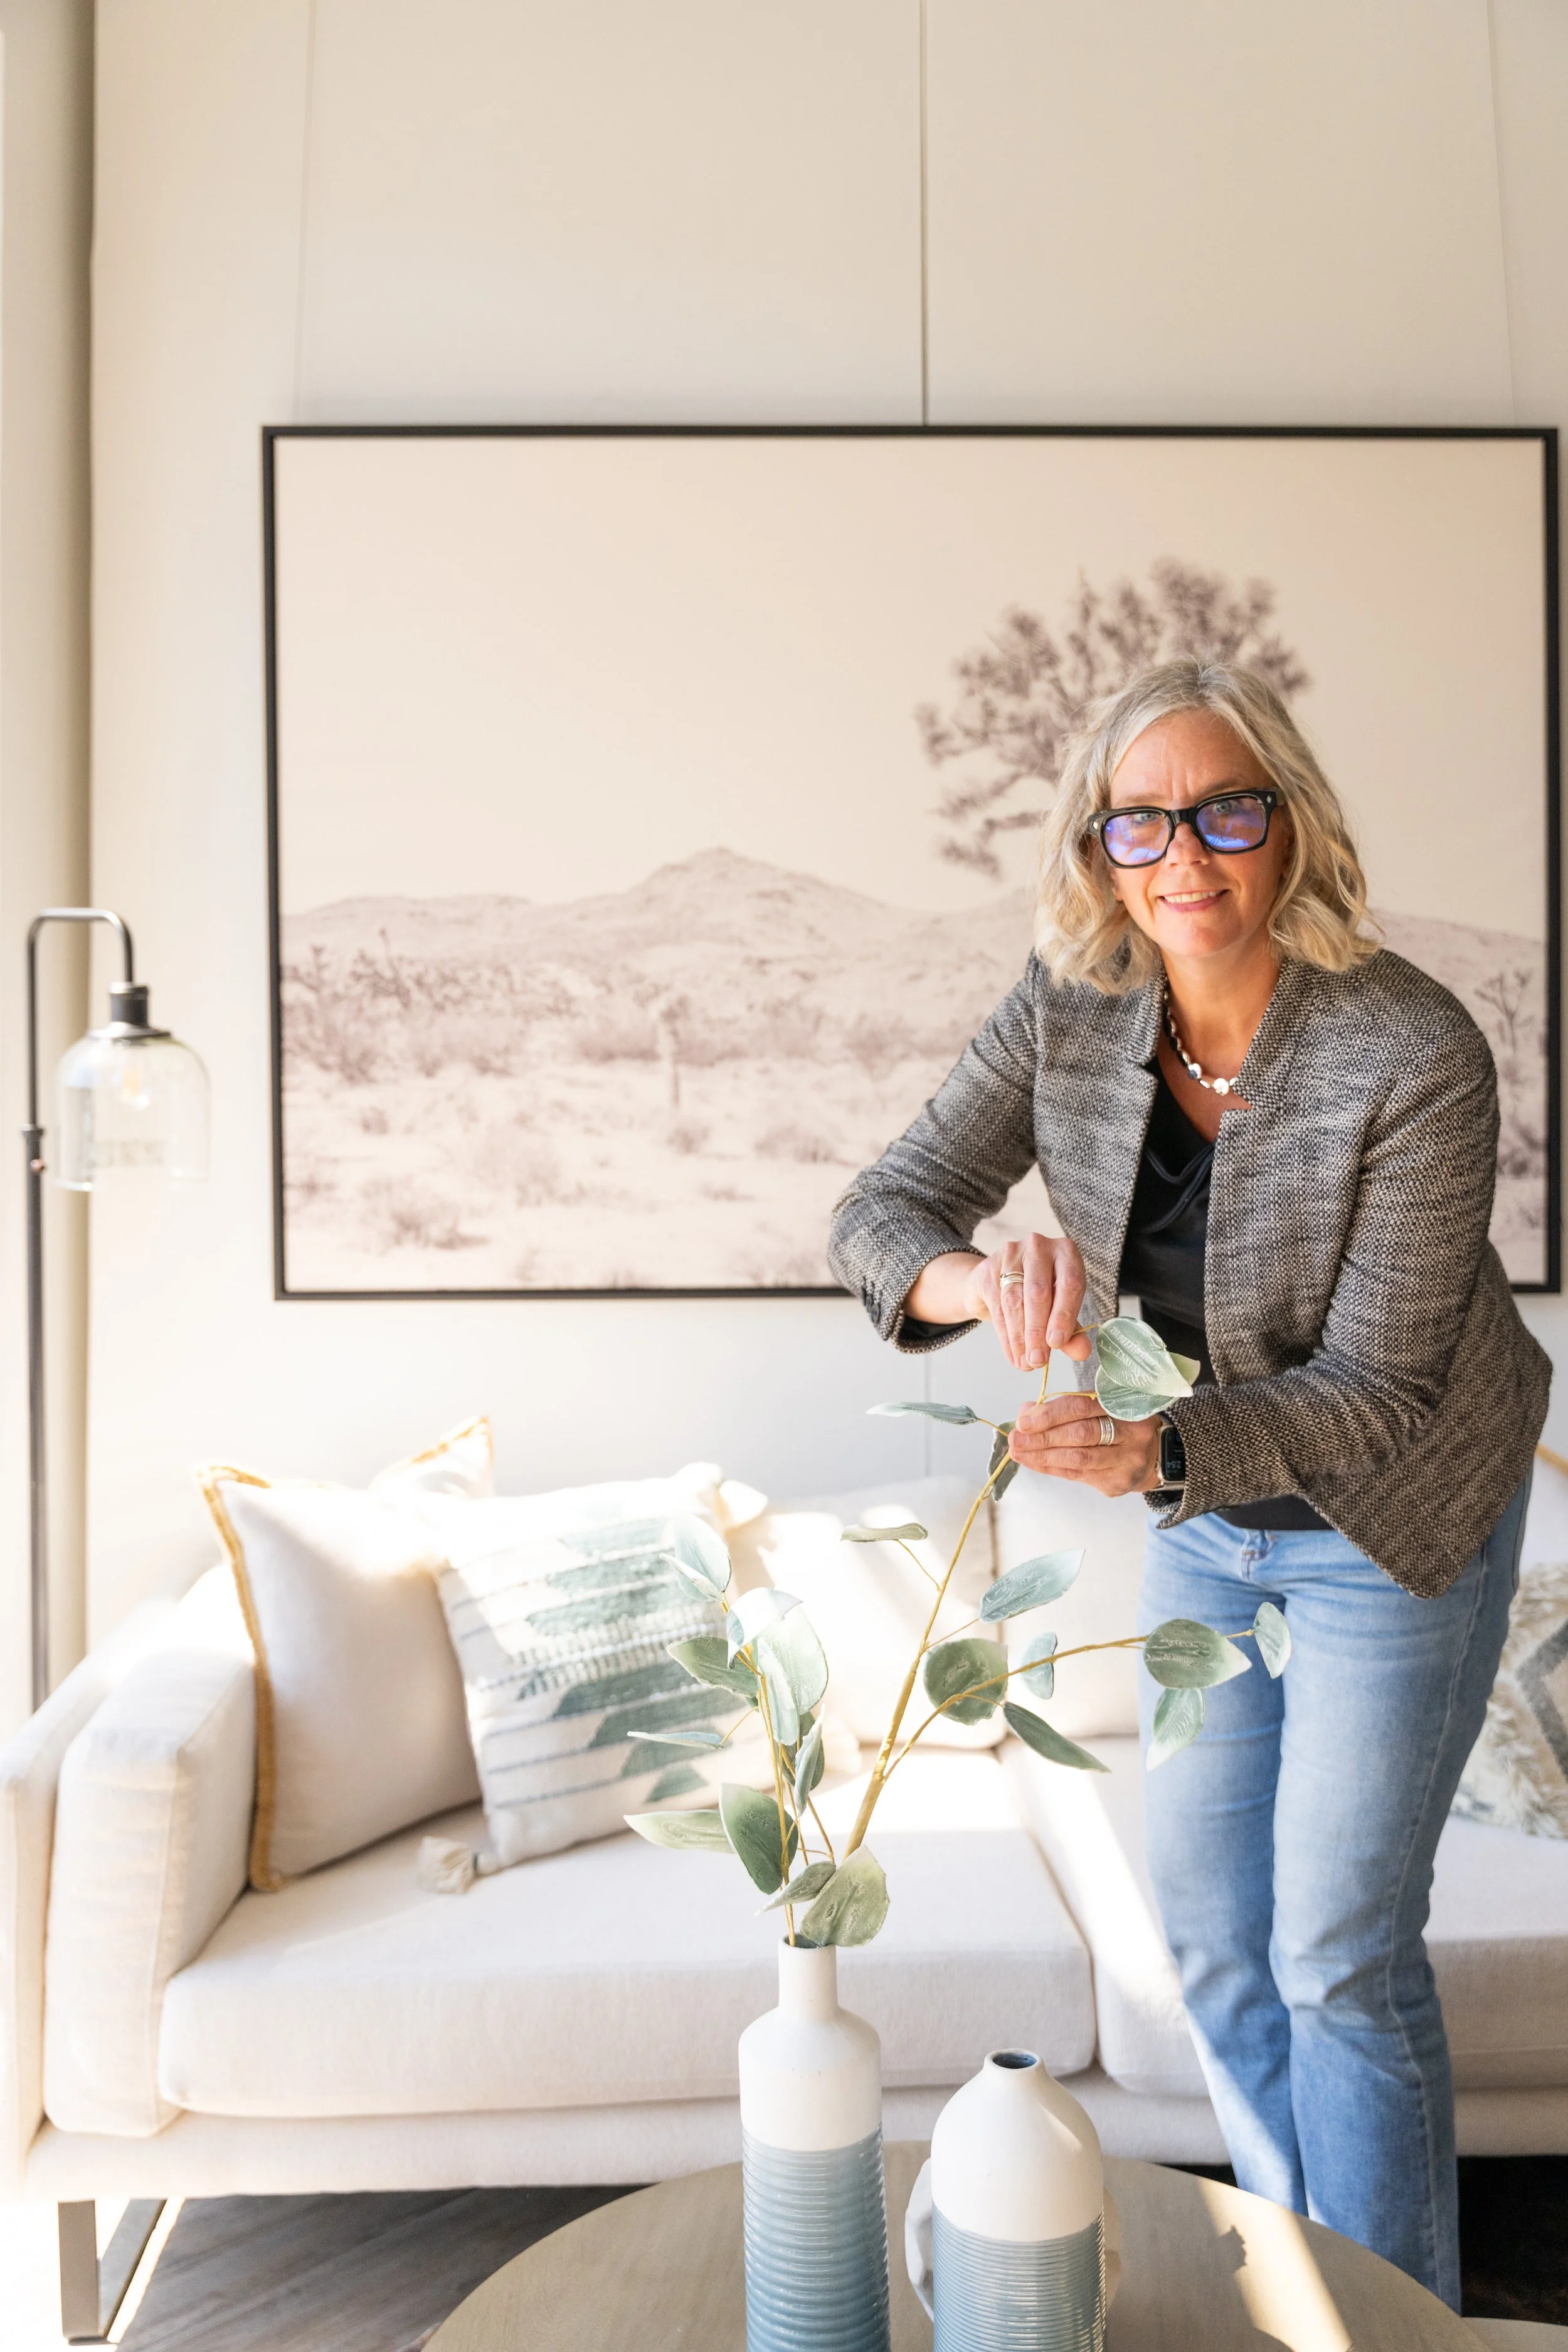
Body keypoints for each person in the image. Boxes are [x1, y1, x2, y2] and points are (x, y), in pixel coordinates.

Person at [829, 658, 1549, 2309]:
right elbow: (881, 1208)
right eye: (1139, 822)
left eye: (1224, 811)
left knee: (1335, 1954)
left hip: (1392, 1518)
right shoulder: (1071, 1008)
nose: (1183, 856)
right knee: (1216, 1947)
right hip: (1207, 1526)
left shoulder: (1411, 1046)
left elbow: (1380, 1391)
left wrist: (1151, 1447)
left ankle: (1392, 2325)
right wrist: (980, 1281)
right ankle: (1301, 2288)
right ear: (1097, 847)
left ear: (1290, 825)